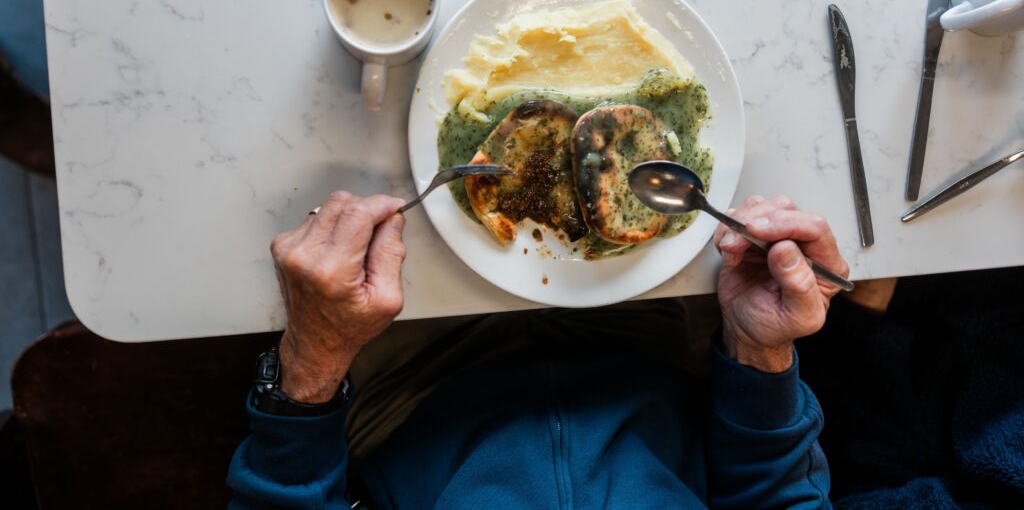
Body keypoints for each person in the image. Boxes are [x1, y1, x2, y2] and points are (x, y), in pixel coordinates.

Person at [228, 191, 847, 509]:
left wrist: (311, 361)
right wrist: (758, 351)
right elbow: (776, 499)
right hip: (637, 341)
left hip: (404, 376)